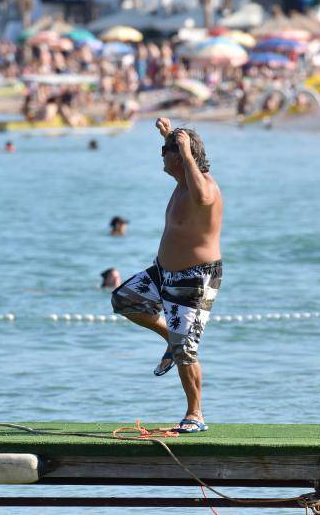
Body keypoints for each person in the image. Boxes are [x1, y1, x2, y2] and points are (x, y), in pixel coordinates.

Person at [111, 118, 223, 434]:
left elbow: (201, 197)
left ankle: (195, 414)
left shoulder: (205, 187)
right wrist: (170, 136)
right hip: (164, 273)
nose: (161, 155)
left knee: (186, 346)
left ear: (183, 156)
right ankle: (168, 341)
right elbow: (186, 173)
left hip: (194, 279)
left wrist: (185, 151)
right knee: (125, 300)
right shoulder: (183, 182)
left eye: (166, 151)